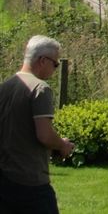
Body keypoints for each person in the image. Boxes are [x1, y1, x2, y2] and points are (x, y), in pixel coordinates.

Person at [0, 35, 75, 214]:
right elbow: (45, 135)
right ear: (42, 60)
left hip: (5, 178)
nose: (55, 69)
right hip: (31, 180)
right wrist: (62, 145)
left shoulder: (5, 87)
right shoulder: (40, 89)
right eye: (55, 64)